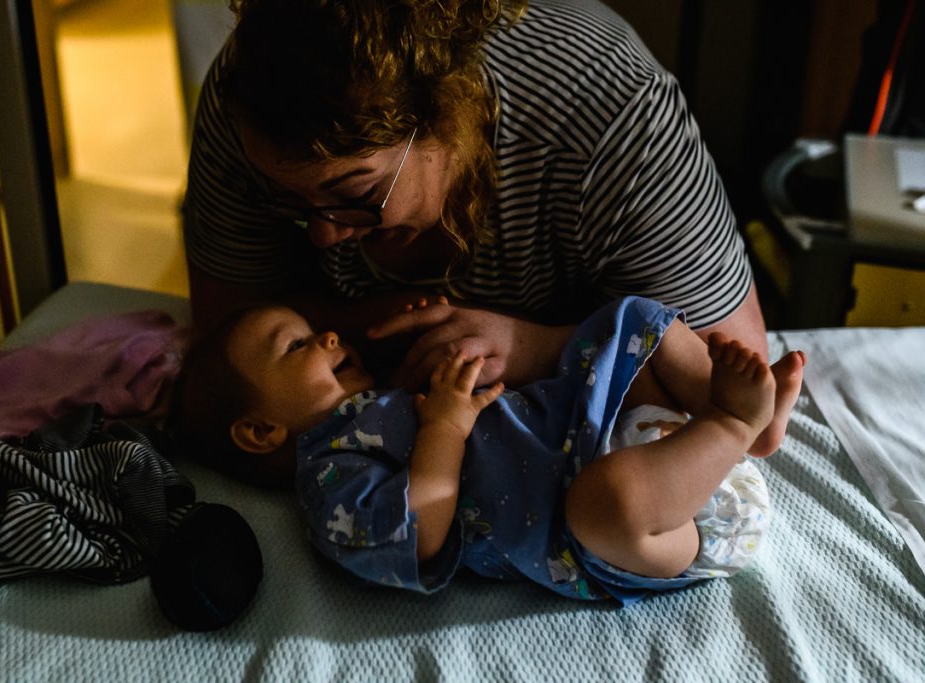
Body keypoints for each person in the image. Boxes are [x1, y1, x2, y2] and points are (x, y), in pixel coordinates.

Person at [183, 0, 770, 392]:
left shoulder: (609, 115)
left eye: (353, 194)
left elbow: (741, 396)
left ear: (445, 117)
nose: (324, 235)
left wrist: (535, 348)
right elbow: (222, 336)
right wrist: (363, 323)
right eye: (288, 202)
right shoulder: (251, 107)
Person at [168, 296, 805, 603]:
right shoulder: (328, 480)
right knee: (605, 500)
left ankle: (753, 424)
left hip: (616, 430)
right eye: (297, 346)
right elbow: (420, 532)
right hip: (642, 525)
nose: (327, 334)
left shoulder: (381, 399)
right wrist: (444, 427)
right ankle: (730, 425)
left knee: (630, 319)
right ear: (259, 431)